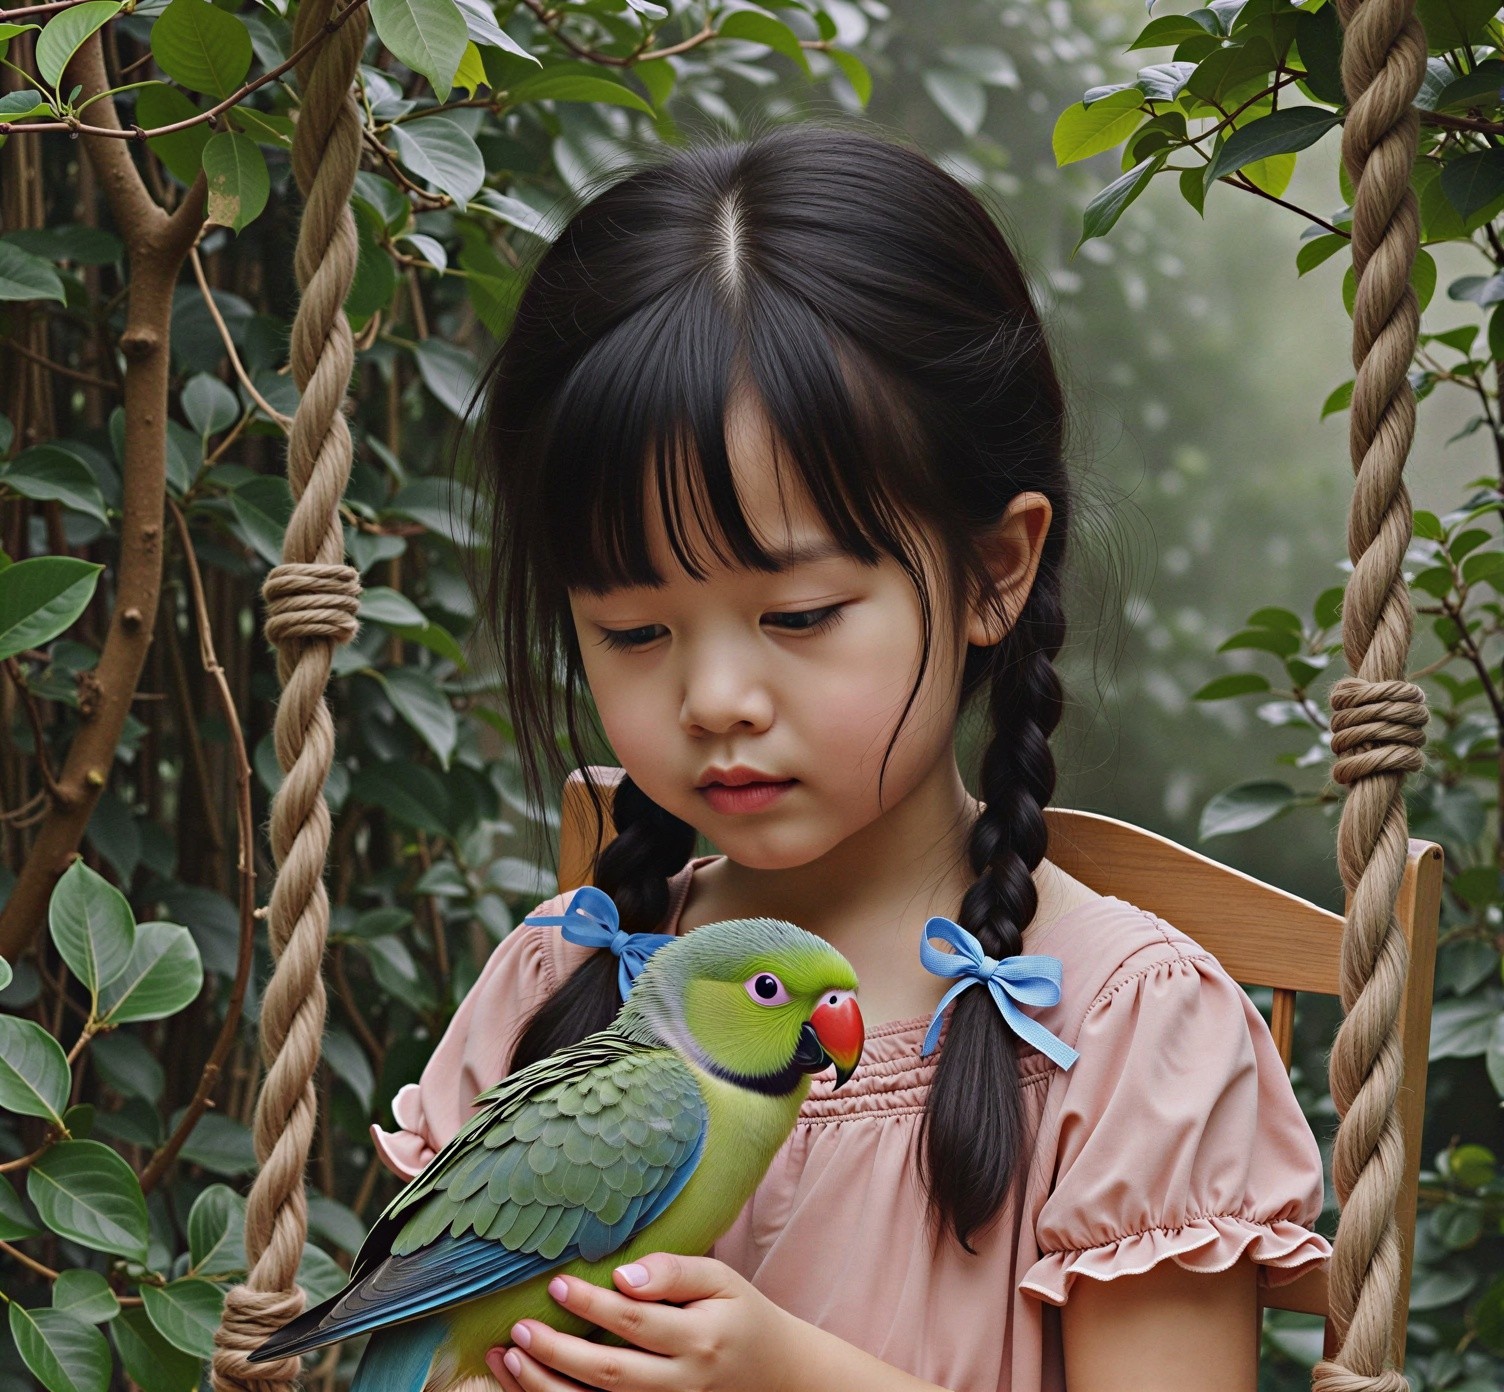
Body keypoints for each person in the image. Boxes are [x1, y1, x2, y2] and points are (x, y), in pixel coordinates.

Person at [370, 121, 1331, 1392]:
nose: (715, 699)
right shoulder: (560, 981)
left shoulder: (1121, 1033)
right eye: (634, 629)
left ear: (994, 569)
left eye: (799, 615)